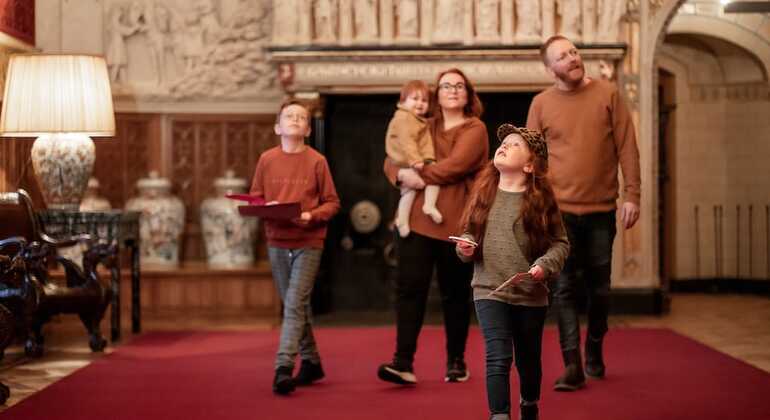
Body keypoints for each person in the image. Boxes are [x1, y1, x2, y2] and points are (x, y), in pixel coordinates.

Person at [526, 35, 641, 391]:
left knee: (600, 290)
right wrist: (534, 205)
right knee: (563, 289)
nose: (573, 59)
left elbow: (627, 147)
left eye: (574, 52)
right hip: (558, 214)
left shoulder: (608, 94)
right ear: (550, 70)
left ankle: (594, 344)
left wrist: (632, 195)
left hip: (601, 210)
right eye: (563, 57)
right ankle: (572, 365)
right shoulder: (541, 104)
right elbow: (532, 159)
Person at [378, 68, 489, 385]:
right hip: (417, 222)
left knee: (455, 294)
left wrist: (418, 175)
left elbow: (454, 168)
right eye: (445, 86)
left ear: (468, 93)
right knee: (409, 291)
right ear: (436, 95)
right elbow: (391, 156)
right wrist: (400, 175)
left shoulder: (475, 128)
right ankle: (402, 363)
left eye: (459, 85)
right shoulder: (421, 123)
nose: (452, 90)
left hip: (457, 221)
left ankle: (456, 362)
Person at [456, 124, 569, 420]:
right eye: (503, 142)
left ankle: (529, 405)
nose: (504, 145)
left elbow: (560, 243)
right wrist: (465, 247)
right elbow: (469, 234)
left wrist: (545, 265)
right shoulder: (483, 194)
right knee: (497, 357)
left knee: (528, 359)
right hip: (488, 289)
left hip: (530, 293)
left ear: (530, 165)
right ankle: (499, 415)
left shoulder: (542, 201)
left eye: (515, 144)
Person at [249, 100, 341, 395]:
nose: (295, 120)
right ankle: (311, 361)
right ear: (278, 127)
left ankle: (283, 367)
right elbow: (255, 198)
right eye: (289, 116)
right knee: (296, 304)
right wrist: (269, 207)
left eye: (301, 117)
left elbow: (332, 203)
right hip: (277, 239)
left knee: (293, 303)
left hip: (309, 241)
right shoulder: (266, 159)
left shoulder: (317, 161)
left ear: (308, 129)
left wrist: (310, 216)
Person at [385, 79, 442, 237]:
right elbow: (407, 141)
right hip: (406, 161)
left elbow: (423, 143)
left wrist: (428, 159)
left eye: (424, 100)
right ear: (403, 101)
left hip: (414, 162)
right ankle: (406, 218)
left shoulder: (417, 120)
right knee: (414, 189)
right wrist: (415, 160)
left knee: (412, 190)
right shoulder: (404, 118)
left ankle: (423, 209)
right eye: (415, 99)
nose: (420, 103)